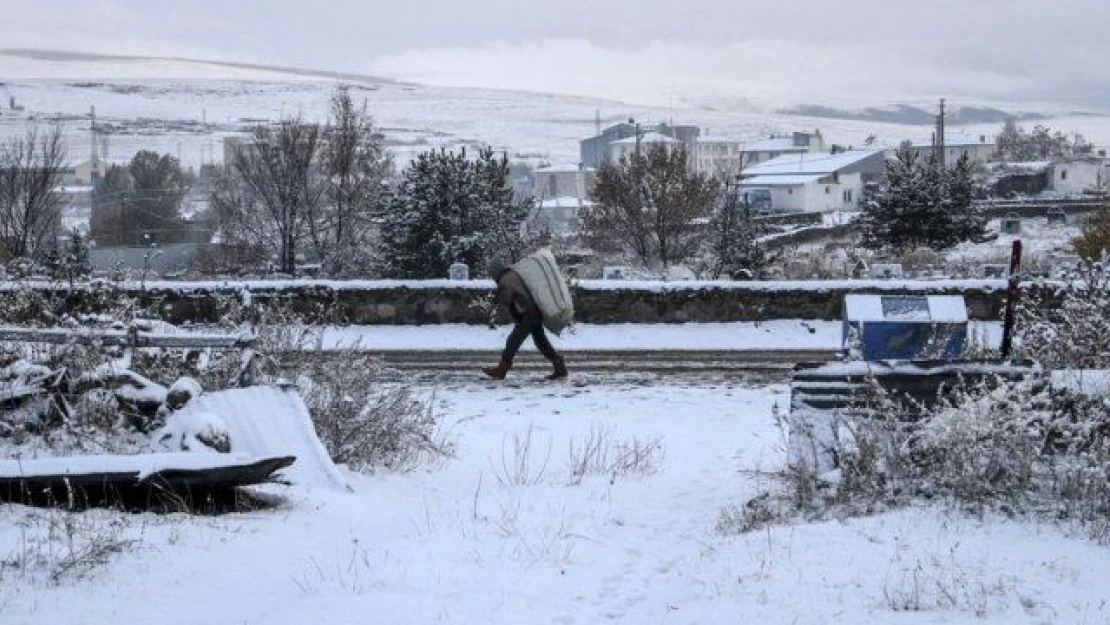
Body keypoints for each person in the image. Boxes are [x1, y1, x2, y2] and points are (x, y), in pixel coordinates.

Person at [483, 257, 568, 380]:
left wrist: (494, 306)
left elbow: (505, 300)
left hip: (528, 314)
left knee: (513, 340)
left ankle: (501, 369)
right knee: (541, 341)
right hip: (534, 311)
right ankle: (559, 366)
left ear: (495, 272)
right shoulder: (513, 275)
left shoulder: (505, 281)